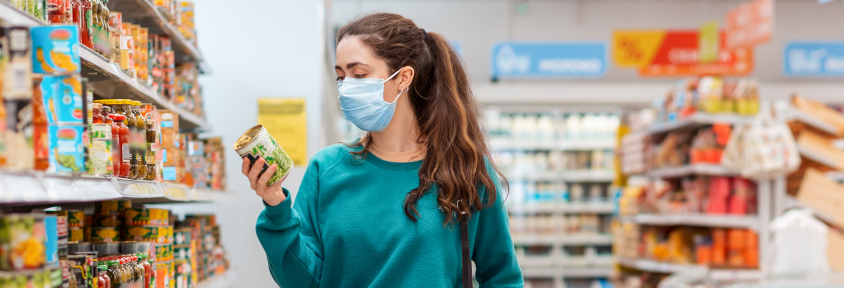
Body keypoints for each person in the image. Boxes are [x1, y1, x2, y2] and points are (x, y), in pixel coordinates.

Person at [243, 13, 523, 288]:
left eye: (359, 74)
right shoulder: (326, 169)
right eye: (341, 77)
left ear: (404, 78)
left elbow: (502, 277)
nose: (346, 88)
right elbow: (302, 281)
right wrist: (276, 207)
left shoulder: (465, 169)